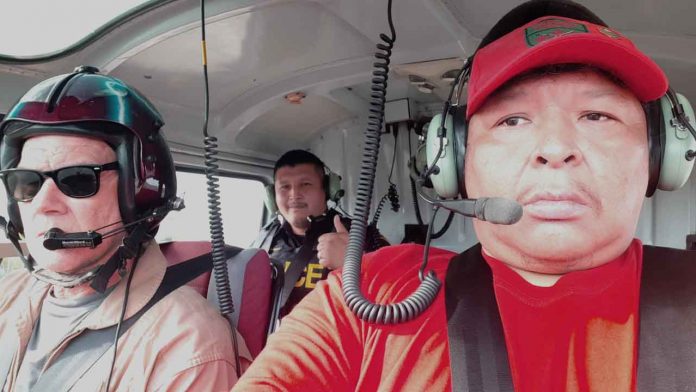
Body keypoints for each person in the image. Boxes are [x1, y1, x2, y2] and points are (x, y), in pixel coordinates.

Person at [234, 1, 696, 391]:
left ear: (660, 155)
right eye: (512, 120)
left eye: (597, 116)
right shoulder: (372, 293)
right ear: (454, 159)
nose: (556, 149)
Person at [0, 66, 251, 391]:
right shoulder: (9, 292)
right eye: (27, 182)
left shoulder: (188, 347)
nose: (43, 204)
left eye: (77, 179)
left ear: (141, 196)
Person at [251, 149, 388, 316]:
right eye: (285, 187)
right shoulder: (264, 240)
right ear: (272, 196)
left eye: (305, 184)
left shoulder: (360, 235)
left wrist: (354, 264)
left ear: (327, 190)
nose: (294, 194)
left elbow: (398, 298)